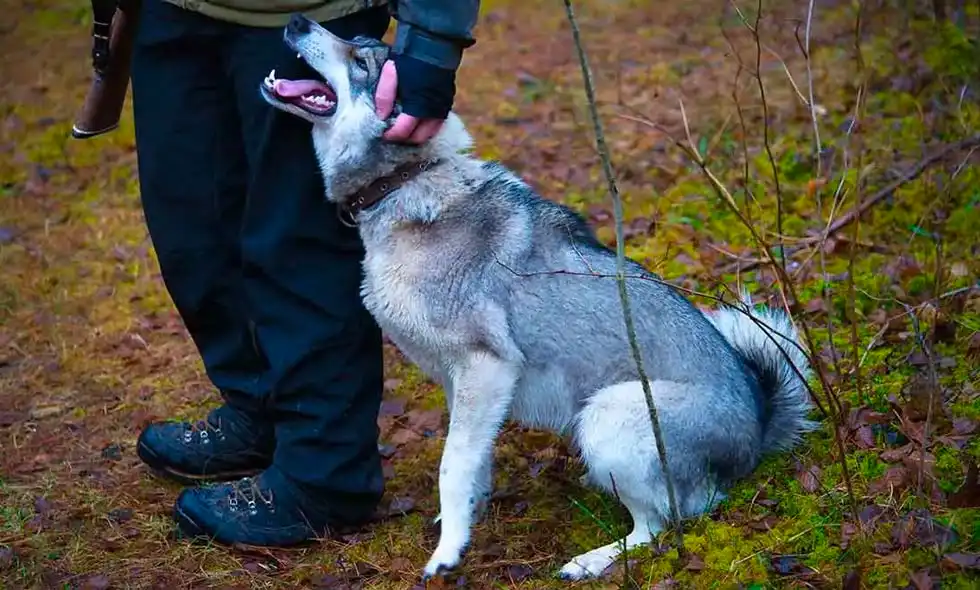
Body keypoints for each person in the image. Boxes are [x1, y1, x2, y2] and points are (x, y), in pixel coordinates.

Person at [131, 0, 480, 546]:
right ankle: (259, 409)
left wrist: (432, 44)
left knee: (298, 244)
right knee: (194, 231)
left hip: (309, 11)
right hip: (171, 13)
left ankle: (325, 471)